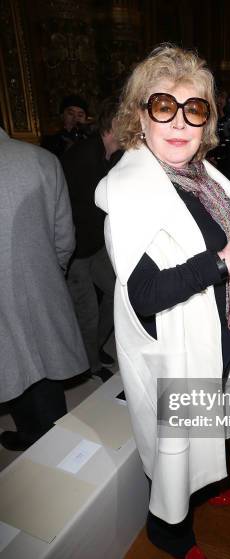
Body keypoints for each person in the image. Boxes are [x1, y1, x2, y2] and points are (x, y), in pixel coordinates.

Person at [95, 44, 230, 559]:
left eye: (194, 109)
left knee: (213, 421)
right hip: (177, 346)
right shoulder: (131, 191)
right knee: (174, 448)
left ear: (208, 120)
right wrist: (228, 257)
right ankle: (169, 530)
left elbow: (226, 235)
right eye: (163, 107)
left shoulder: (201, 174)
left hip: (220, 331)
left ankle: (207, 479)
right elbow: (144, 294)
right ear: (139, 115)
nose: (179, 122)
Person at [0, 127, 88, 451]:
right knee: (45, 358)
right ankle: (54, 441)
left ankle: (31, 436)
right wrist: (51, 273)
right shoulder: (43, 159)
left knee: (12, 363)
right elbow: (64, 234)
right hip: (41, 280)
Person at [62, 98, 123, 382]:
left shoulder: (113, 155)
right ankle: (92, 367)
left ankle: (93, 350)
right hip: (75, 250)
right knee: (86, 312)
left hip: (95, 245)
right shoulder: (84, 156)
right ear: (114, 125)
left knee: (118, 294)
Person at [42, 94, 90, 159]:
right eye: (71, 113)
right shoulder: (49, 141)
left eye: (80, 115)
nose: (75, 119)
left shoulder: (91, 141)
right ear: (62, 116)